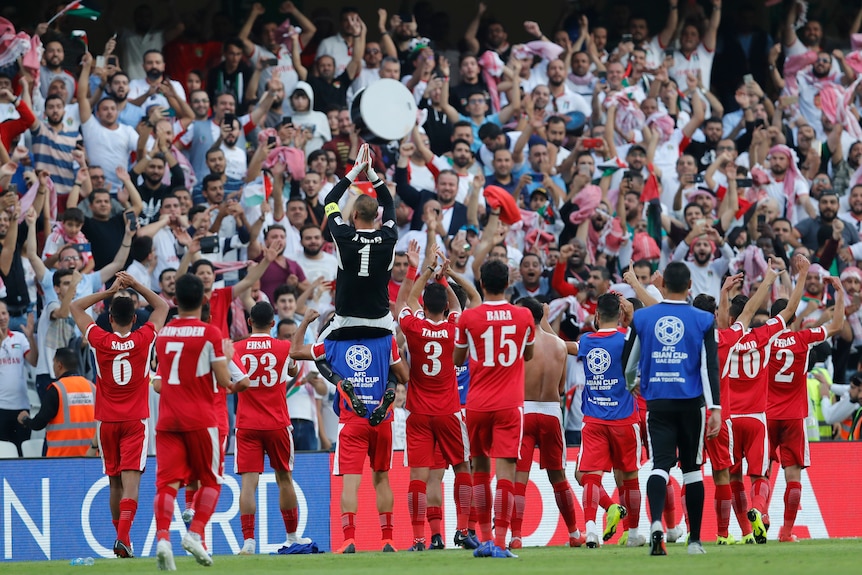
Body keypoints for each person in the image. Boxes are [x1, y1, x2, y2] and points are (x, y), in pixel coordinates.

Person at [290, 309, 409, 554]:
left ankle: (348, 540)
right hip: (381, 418)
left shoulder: (332, 344)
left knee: (350, 483)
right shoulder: (386, 341)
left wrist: (305, 322)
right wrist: (391, 380)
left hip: (352, 420)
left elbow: (295, 350)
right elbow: (404, 375)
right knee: (382, 479)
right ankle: (388, 540)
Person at [622, 261, 721, 556]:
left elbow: (629, 361)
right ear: (690, 286)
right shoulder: (703, 320)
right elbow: (709, 365)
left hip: (658, 403)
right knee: (692, 470)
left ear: (662, 285)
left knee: (659, 466)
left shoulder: (643, 317)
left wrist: (631, 384)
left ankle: (655, 524)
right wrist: (714, 406)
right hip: (692, 404)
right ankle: (694, 542)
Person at [68, 271, 169, 558]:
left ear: (110, 318)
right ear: (135, 319)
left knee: (114, 481)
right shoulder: (144, 338)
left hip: (106, 421)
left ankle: (120, 539)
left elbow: (75, 306)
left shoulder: (99, 339)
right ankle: (124, 538)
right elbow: (162, 307)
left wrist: (109, 291)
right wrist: (135, 285)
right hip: (135, 420)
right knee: (131, 480)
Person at [151, 274, 239, 570]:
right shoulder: (210, 334)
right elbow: (225, 382)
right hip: (201, 418)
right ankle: (195, 533)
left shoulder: (162, 334)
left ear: (174, 302)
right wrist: (226, 357)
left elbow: (162, 380)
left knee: (166, 484)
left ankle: (163, 538)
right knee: (212, 481)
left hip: (167, 419)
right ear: (204, 300)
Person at [724, 255, 809, 545]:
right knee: (760, 476)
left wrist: (724, 294)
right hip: (757, 418)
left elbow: (740, 313)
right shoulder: (764, 337)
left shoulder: (720, 340)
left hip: (729, 419)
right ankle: (758, 510)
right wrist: (776, 276)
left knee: (732, 478)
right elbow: (790, 311)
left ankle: (744, 533)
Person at [454, 259, 535, 558]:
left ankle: (485, 540)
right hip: (509, 405)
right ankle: (501, 543)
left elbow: (456, 359)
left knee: (479, 471)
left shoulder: (468, 318)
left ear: (482, 284)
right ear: (508, 283)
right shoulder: (524, 315)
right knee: (506, 474)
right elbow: (528, 354)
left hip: (476, 404)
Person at [396, 240, 473, 551]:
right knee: (462, 469)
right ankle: (463, 530)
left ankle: (421, 538)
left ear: (423, 306)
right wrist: (443, 276)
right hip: (449, 410)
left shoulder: (413, 325)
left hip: (417, 410)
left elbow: (406, 300)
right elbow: (458, 308)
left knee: (420, 476)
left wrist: (425, 270)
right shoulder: (455, 327)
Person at [767, 282, 844, 542]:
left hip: (766, 415)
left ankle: (761, 515)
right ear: (793, 319)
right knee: (793, 474)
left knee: (763, 470)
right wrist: (840, 294)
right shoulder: (803, 339)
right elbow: (836, 325)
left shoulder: (763, 341)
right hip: (793, 416)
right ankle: (787, 532)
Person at [233, 301, 312, 555]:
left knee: (248, 483)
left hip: (247, 423)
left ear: (249, 322)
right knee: (284, 479)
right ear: (272, 324)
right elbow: (291, 371)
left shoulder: (236, 348)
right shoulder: (284, 347)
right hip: (277, 422)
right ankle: (291, 536)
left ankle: (248, 542)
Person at [511, 297, 584, 549]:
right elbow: (561, 388)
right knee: (559, 477)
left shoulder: (519, 344)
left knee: (519, 477)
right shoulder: (559, 345)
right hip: (552, 412)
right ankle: (574, 533)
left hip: (524, 410)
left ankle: (516, 536)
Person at [576, 294, 642, 548]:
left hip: (594, 419)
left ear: (596, 315)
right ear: (621, 315)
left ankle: (591, 529)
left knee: (591, 476)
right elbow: (643, 335)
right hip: (625, 418)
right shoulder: (627, 339)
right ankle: (633, 534)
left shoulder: (586, 341)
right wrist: (630, 318)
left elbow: (567, 347)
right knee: (629, 477)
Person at [17, 348, 94, 457]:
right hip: (90, 457)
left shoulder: (57, 389)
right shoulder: (92, 388)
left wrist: (25, 419)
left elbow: (39, 423)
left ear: (59, 365)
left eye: (53, 362)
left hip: (60, 458)